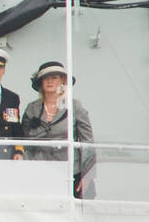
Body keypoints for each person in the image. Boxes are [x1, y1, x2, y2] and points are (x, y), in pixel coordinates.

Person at [22, 61, 96, 199]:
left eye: (54, 77)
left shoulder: (75, 106)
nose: (50, 81)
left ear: (63, 80)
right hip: (40, 172)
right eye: (45, 77)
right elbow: (25, 144)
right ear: (40, 82)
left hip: (70, 171)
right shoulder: (32, 108)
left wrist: (88, 175)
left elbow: (87, 143)